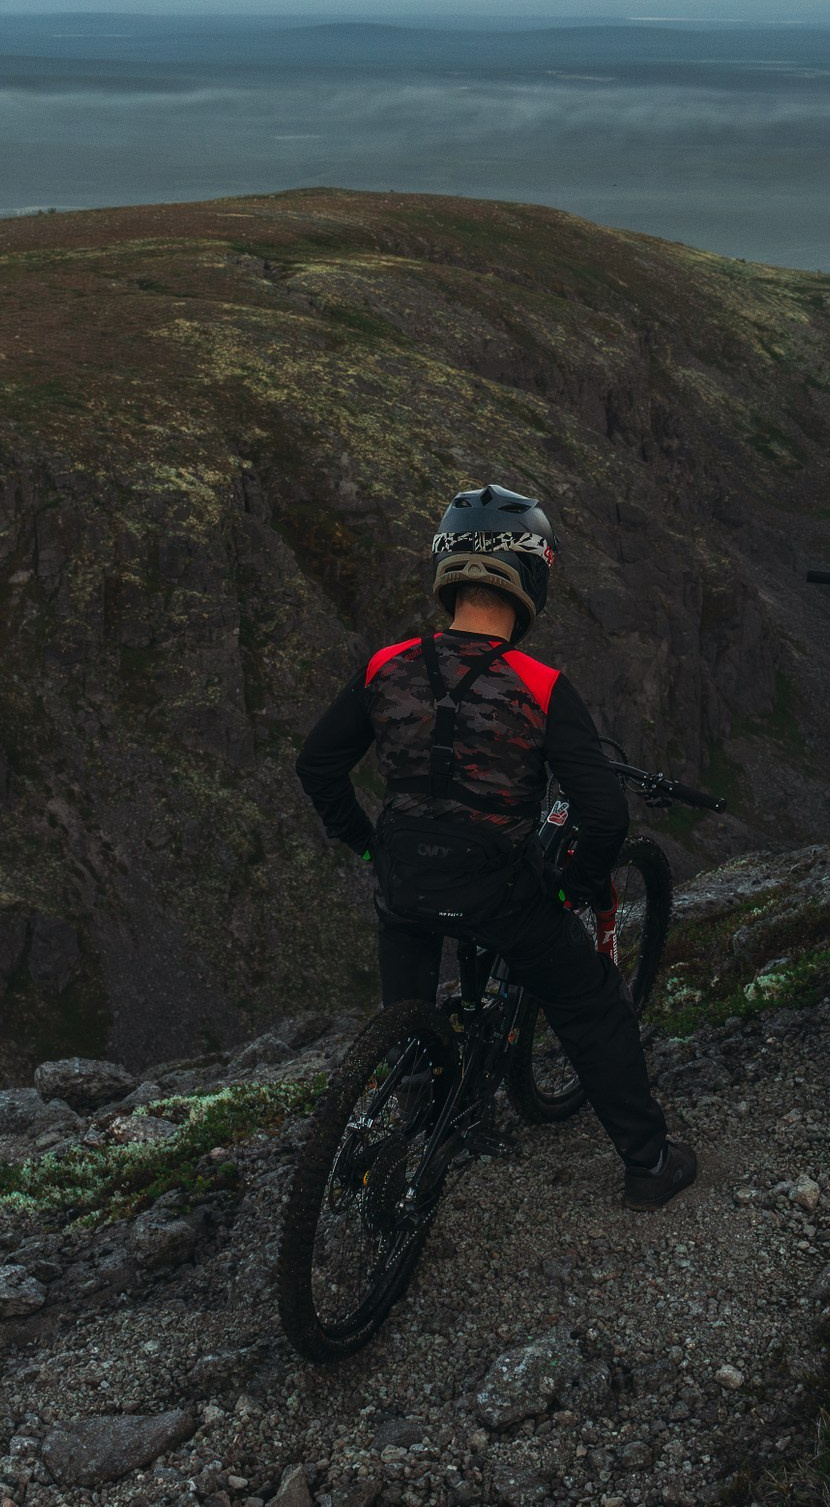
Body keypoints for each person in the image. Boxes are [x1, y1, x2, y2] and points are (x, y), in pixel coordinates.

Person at [294, 485, 699, 1212]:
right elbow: (604, 813)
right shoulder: (542, 685)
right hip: (500, 892)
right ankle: (648, 1162)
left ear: (448, 568)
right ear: (533, 575)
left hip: (403, 879)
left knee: (409, 1011)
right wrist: (571, 886)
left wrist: (366, 846)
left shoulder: (385, 665)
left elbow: (317, 765)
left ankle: (420, 1124)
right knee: (591, 1001)